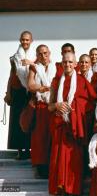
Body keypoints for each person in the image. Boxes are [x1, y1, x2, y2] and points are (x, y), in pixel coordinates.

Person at [48, 52, 97, 195]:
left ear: (75, 64)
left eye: (70, 62)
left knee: (73, 161)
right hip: (60, 127)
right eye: (65, 62)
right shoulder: (56, 81)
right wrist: (57, 105)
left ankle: (73, 189)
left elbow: (92, 103)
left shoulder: (82, 81)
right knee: (59, 158)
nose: (68, 65)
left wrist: (77, 109)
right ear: (61, 64)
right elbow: (49, 106)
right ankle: (60, 188)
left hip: (76, 128)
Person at [4, 30, 35, 159]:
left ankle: (29, 149)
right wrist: (8, 93)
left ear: (31, 41)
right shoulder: (15, 57)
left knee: (29, 119)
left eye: (27, 40)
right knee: (17, 120)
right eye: (23, 39)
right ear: (20, 40)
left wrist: (31, 63)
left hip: (30, 91)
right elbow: (11, 76)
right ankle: (20, 150)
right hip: (18, 91)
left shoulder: (35, 56)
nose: (25, 42)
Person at [28, 44, 56, 178]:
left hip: (53, 105)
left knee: (52, 136)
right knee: (39, 137)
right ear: (36, 55)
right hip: (41, 106)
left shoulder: (57, 67)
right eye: (40, 54)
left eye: (45, 53)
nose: (43, 56)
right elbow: (30, 84)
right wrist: (40, 88)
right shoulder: (34, 67)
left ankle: (52, 166)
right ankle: (40, 167)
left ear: (49, 53)